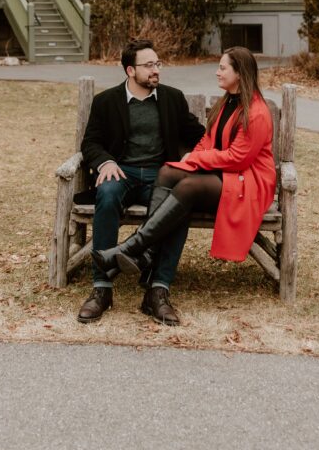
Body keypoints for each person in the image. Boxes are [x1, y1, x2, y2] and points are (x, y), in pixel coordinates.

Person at [93, 47, 276, 317]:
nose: (217, 71)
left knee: (187, 188)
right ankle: (144, 255)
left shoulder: (257, 111)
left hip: (248, 182)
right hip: (227, 174)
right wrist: (194, 156)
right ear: (130, 70)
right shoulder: (226, 102)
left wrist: (195, 161)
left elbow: (238, 158)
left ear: (240, 73)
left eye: (223, 68)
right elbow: (207, 140)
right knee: (167, 172)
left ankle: (135, 248)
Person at [77, 38, 205, 325]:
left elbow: (200, 136)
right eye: (148, 65)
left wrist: (197, 158)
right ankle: (102, 288)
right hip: (122, 173)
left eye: (157, 64)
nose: (156, 70)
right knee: (106, 194)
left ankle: (157, 290)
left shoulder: (172, 98)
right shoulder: (106, 102)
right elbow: (91, 143)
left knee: (178, 205)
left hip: (160, 177)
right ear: (130, 71)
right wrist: (106, 162)